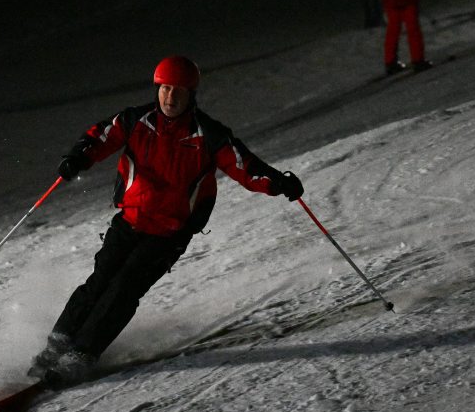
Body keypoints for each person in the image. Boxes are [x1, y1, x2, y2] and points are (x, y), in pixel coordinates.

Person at [29, 55, 304, 388]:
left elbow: (245, 166)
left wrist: (276, 182)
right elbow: (100, 137)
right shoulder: (135, 120)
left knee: (123, 289)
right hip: (129, 220)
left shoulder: (209, 135)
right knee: (99, 282)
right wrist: (78, 157)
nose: (171, 97)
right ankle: (56, 346)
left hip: (168, 232)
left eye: (179, 91)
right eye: (165, 89)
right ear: (157, 89)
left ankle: (81, 356)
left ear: (191, 95)